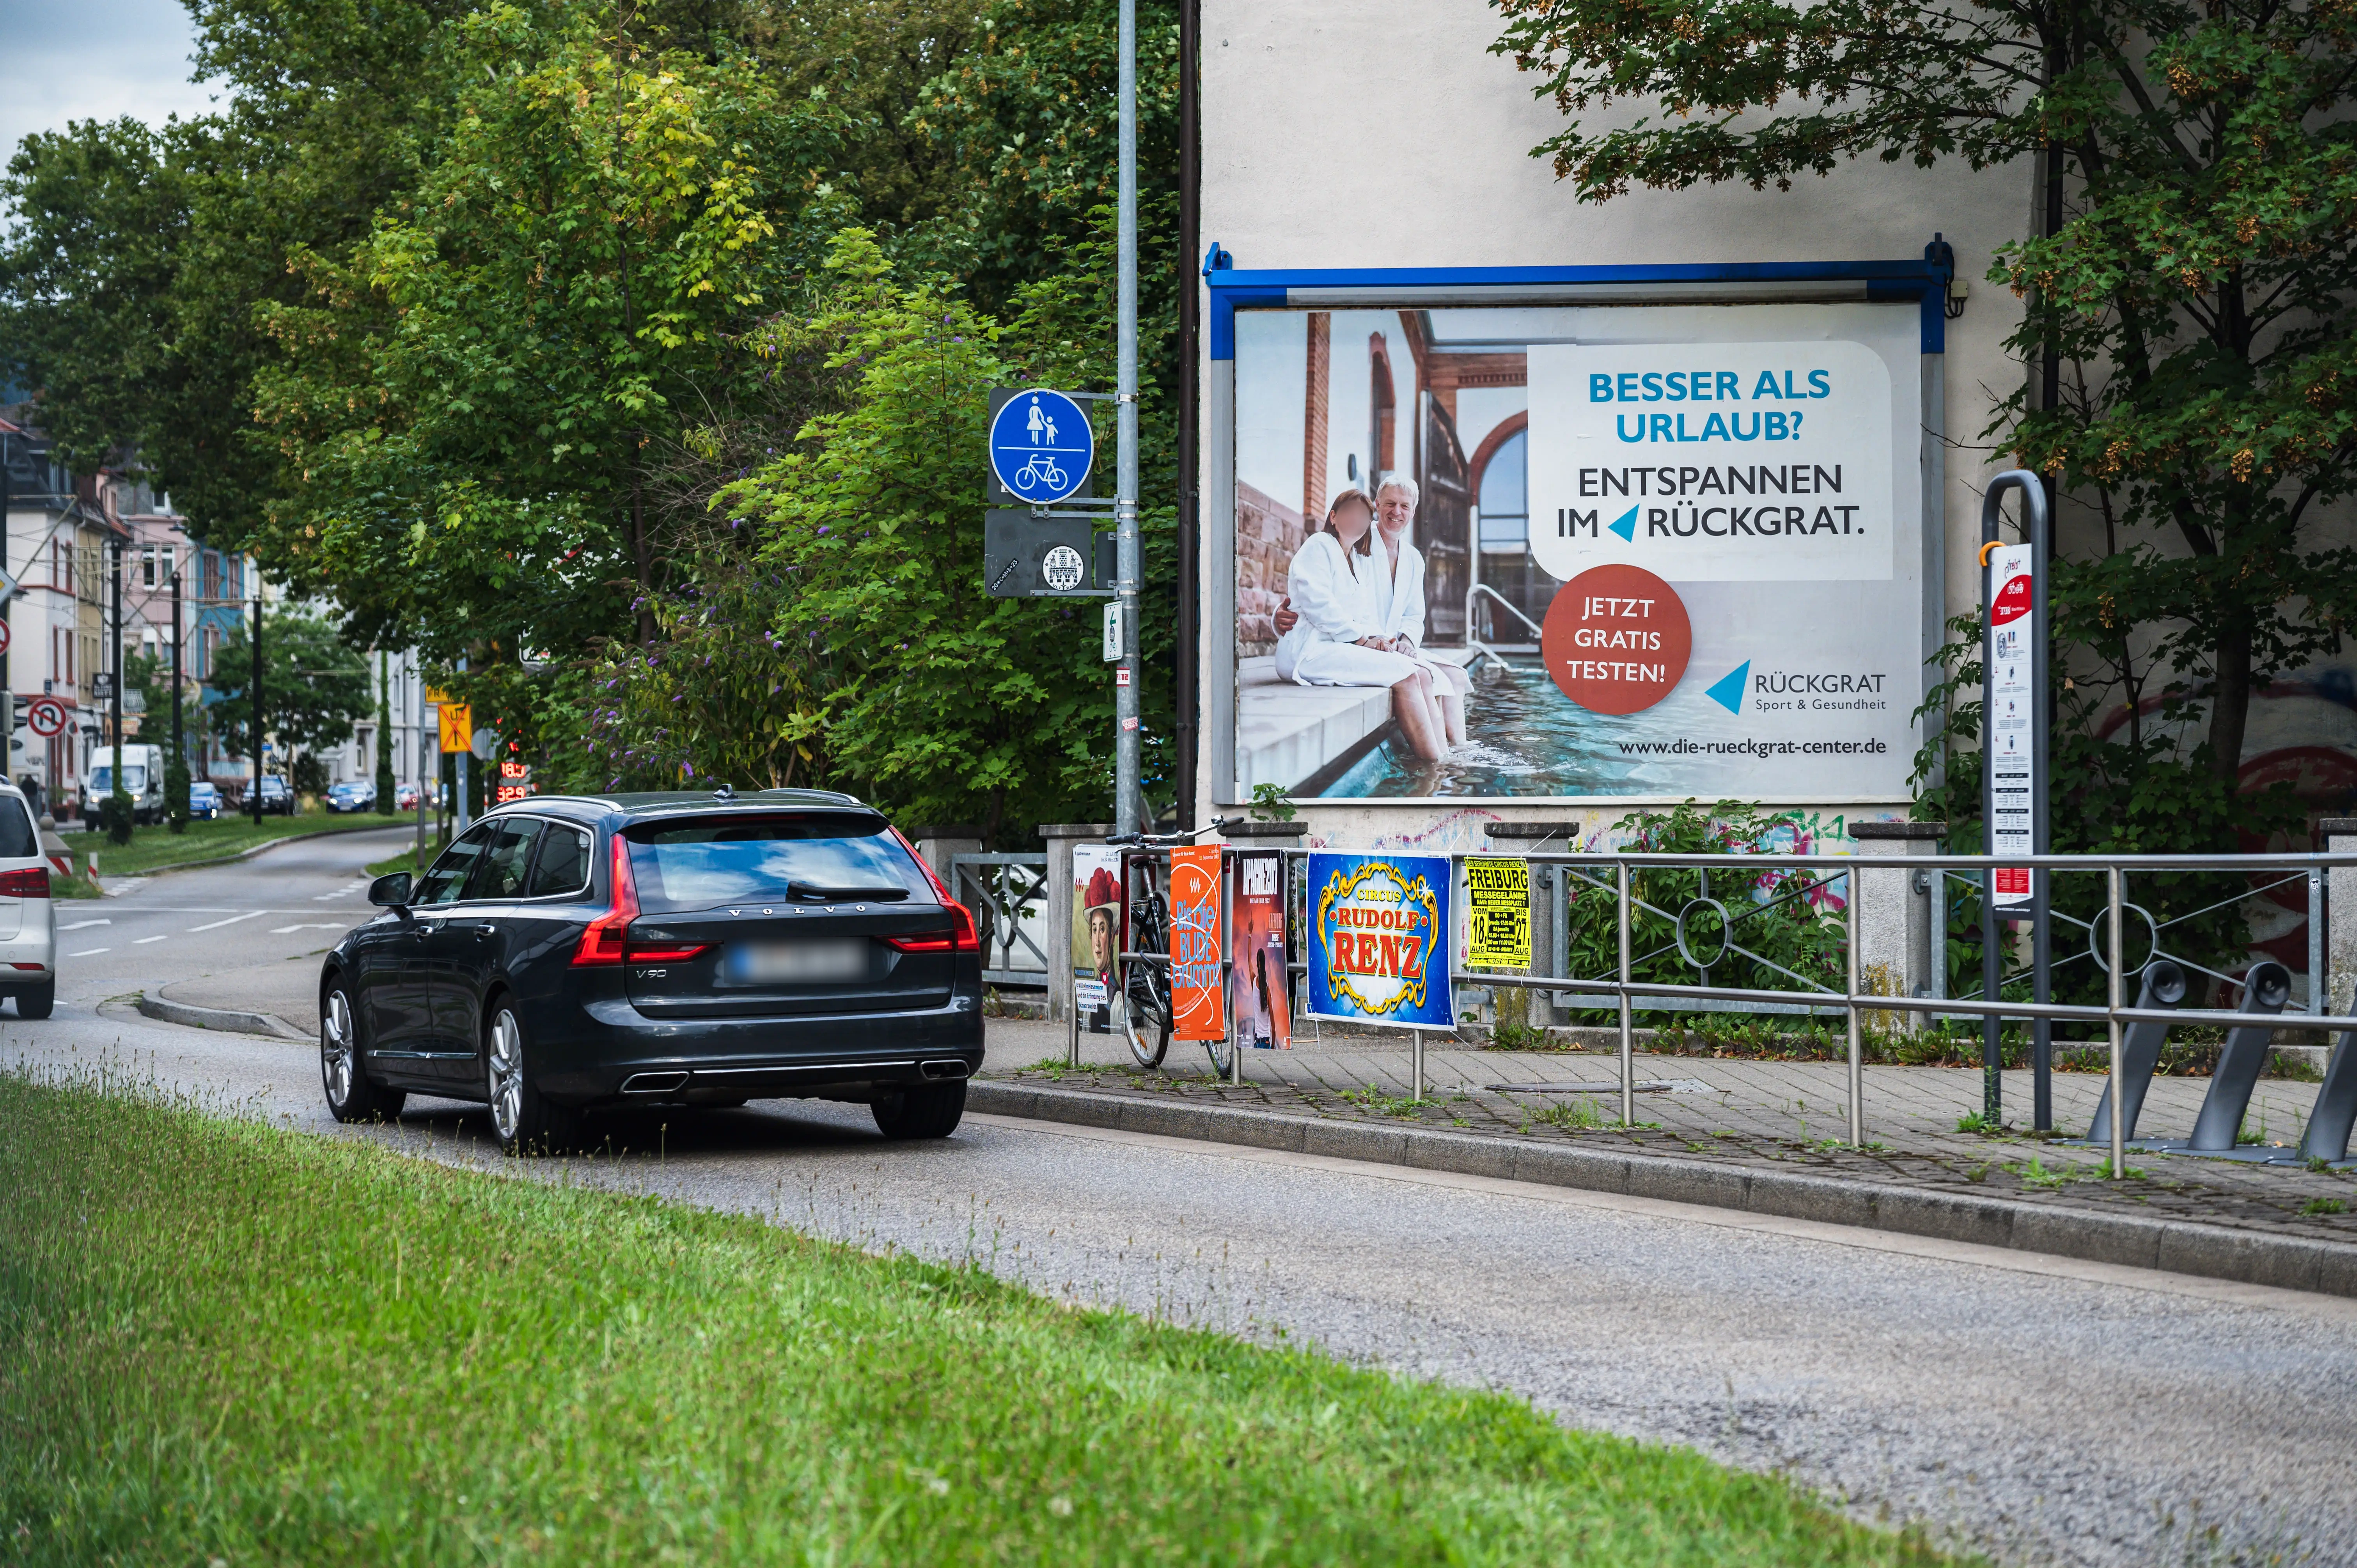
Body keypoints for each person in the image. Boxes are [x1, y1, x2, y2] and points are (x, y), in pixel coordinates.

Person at [1272, 486, 1447, 759]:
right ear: (1333, 517)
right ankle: (1433, 764)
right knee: (1406, 675)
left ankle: (1444, 756)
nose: (1357, 519)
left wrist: (1381, 638)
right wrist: (1362, 640)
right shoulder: (1318, 545)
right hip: (1308, 652)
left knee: (1423, 673)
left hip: (1337, 647)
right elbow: (1318, 603)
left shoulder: (1353, 559)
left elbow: (1363, 615)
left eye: (1363, 516)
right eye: (1349, 512)